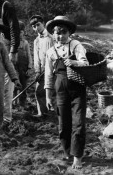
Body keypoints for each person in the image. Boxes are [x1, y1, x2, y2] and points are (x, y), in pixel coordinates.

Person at [44, 16, 88, 169]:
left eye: (63, 32)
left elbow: (85, 63)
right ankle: (67, 151)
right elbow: (48, 75)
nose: (59, 35)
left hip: (77, 87)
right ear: (53, 34)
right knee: (63, 123)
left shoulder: (75, 44)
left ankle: (78, 156)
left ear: (69, 33)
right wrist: (48, 96)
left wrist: (74, 62)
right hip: (60, 88)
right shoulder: (50, 51)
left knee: (79, 122)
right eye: (56, 32)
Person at [30, 15, 54, 117]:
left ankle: (56, 112)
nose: (36, 28)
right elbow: (36, 58)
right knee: (39, 91)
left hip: (53, 69)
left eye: (38, 25)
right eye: (34, 26)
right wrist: (38, 71)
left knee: (54, 91)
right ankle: (42, 113)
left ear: (43, 23)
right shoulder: (36, 41)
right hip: (42, 70)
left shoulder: (51, 37)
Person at [14, 21, 32, 107]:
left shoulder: (25, 43)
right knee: (14, 86)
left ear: (23, 32)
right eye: (17, 32)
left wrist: (29, 68)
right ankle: (13, 103)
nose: (19, 34)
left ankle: (22, 103)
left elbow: (29, 55)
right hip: (14, 67)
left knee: (23, 86)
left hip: (23, 68)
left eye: (21, 32)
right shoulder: (12, 43)